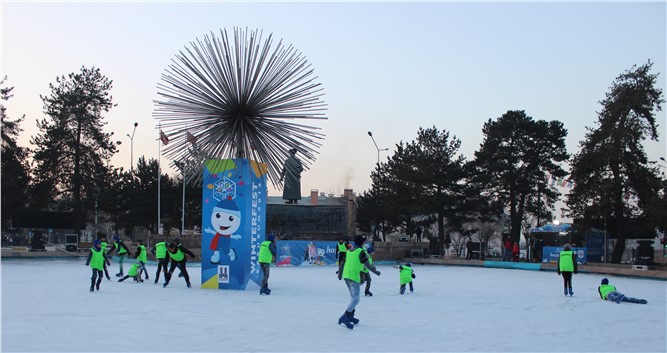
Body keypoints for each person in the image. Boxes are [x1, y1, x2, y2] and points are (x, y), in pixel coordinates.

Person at [337, 235, 381, 330]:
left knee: (353, 297)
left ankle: (350, 316)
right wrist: (376, 272)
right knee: (356, 298)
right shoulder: (361, 252)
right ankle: (345, 316)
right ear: (362, 243)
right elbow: (368, 265)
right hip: (353, 277)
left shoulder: (349, 251)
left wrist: (340, 273)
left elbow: (342, 263)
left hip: (346, 276)